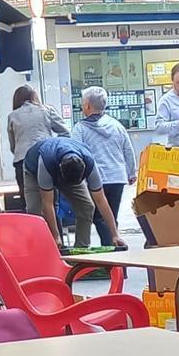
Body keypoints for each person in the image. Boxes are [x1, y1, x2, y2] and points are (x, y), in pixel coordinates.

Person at [22, 137, 125, 249]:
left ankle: (81, 249)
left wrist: (115, 234)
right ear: (60, 168)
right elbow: (47, 204)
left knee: (87, 206)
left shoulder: (89, 163)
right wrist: (56, 236)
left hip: (69, 173)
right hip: (34, 170)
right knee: (36, 212)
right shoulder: (46, 161)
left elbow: (101, 201)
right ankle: (43, 249)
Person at [72, 87, 136, 249]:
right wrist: (131, 171)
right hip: (117, 177)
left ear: (87, 105)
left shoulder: (80, 129)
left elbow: (75, 153)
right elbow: (128, 149)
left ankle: (112, 253)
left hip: (96, 180)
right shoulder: (116, 125)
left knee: (100, 217)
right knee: (111, 216)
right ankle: (117, 259)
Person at [6, 84, 69, 192]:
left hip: (22, 161)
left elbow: (13, 147)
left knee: (28, 199)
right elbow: (66, 132)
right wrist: (53, 147)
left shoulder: (12, 116)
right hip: (45, 157)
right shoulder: (46, 110)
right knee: (51, 198)